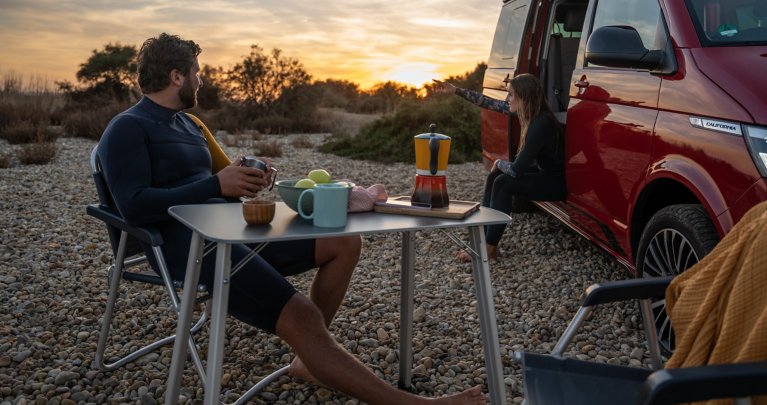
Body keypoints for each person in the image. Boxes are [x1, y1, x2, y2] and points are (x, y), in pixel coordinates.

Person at [98, 33, 485, 405]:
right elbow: (133, 205)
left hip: (236, 229)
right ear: (176, 77)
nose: (201, 80)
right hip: (188, 246)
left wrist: (252, 175)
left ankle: (308, 359)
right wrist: (216, 185)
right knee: (302, 316)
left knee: (345, 242)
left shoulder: (191, 125)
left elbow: (225, 175)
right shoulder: (128, 128)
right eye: (196, 72)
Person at [433, 74, 566, 262]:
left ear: (524, 97)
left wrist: (498, 163)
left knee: (503, 181)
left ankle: (489, 250)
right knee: (494, 176)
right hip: (547, 174)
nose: (506, 99)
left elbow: (516, 171)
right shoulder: (529, 112)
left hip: (557, 183)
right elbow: (487, 102)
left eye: (510, 95)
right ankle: (482, 242)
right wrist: (455, 90)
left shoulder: (540, 124)